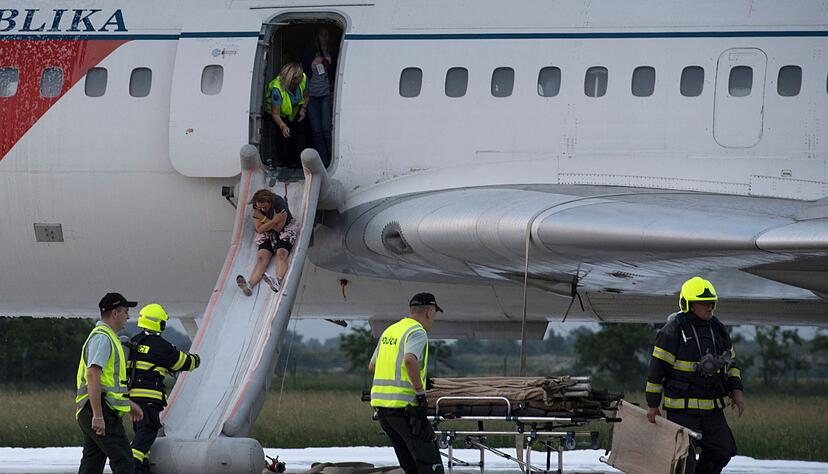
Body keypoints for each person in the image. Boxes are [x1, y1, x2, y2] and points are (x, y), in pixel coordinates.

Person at [645, 277, 745, 474]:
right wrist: (652, 405)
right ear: (688, 305)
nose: (710, 307)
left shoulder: (717, 329)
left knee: (723, 450)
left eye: (712, 303)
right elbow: (657, 371)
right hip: (682, 408)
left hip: (712, 407)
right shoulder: (672, 332)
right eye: (704, 303)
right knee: (684, 460)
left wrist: (736, 390)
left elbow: (731, 363)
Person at [368, 293, 445, 474]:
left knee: (410, 466)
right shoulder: (416, 332)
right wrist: (420, 391)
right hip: (406, 410)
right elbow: (410, 360)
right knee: (429, 466)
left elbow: (372, 365)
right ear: (429, 311)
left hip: (384, 412)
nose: (433, 318)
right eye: (434, 313)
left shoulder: (390, 331)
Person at [127, 303, 201, 474]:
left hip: (132, 398)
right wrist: (197, 359)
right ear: (159, 323)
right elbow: (183, 363)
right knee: (148, 431)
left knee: (140, 434)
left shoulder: (135, 341)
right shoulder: (159, 345)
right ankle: (132, 465)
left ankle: (142, 468)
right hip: (149, 399)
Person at [76, 292, 144, 474]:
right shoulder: (103, 338)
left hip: (93, 407)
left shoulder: (106, 337)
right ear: (115, 313)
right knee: (124, 462)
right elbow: (93, 375)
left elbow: (108, 383)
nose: (128, 316)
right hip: (100, 409)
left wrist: (127, 403)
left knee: (92, 464)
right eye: (126, 312)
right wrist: (98, 415)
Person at [236, 189, 298, 295]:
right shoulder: (257, 207)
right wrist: (273, 220)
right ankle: (249, 285)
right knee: (262, 258)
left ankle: (277, 281)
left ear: (270, 202)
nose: (262, 210)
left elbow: (279, 228)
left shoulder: (279, 204)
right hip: (268, 233)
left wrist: (262, 218)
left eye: (264, 207)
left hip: (285, 229)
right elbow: (259, 229)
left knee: (281, 253)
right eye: (259, 208)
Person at [302, 26, 337, 167]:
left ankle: (332, 158)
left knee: (327, 129)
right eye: (321, 34)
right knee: (317, 131)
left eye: (326, 34)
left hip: (325, 95)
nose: (324, 37)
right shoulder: (310, 53)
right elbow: (304, 75)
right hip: (312, 96)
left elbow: (334, 73)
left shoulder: (332, 52)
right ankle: (324, 162)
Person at [265, 62, 308, 169]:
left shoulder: (304, 79)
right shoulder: (277, 89)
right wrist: (283, 126)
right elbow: (275, 114)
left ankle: (294, 163)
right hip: (279, 116)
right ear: (293, 79)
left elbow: (306, 96)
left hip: (294, 112)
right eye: (300, 76)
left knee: (295, 138)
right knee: (281, 140)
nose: (303, 77)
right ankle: (281, 165)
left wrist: (303, 109)